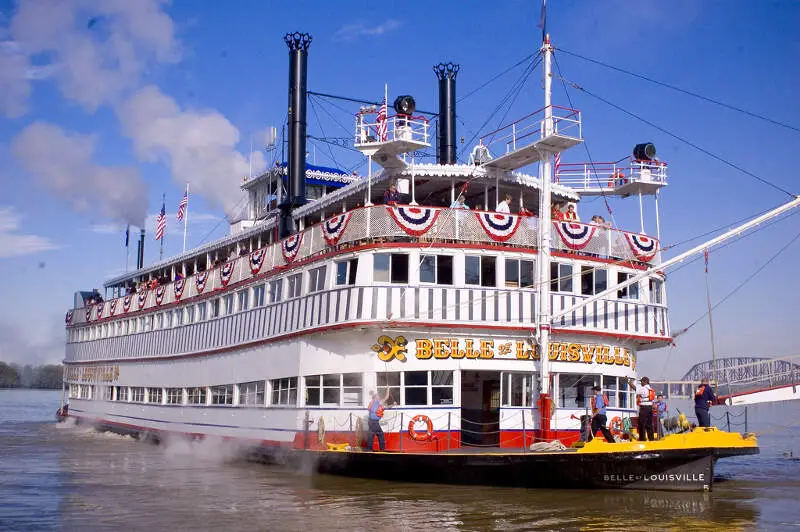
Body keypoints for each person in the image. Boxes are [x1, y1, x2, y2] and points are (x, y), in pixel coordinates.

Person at [626, 376, 655, 441]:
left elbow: (634, 388)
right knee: (649, 424)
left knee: (641, 424)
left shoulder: (643, 388)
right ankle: (651, 439)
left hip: (644, 408)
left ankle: (642, 439)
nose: (641, 383)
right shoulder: (650, 389)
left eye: (641, 381)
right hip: (650, 408)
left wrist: (628, 382)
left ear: (645, 382)